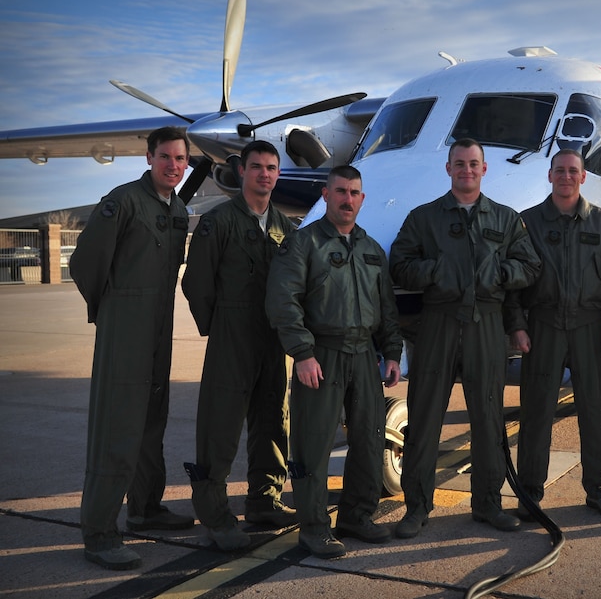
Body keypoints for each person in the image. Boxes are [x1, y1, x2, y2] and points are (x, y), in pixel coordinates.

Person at [389, 138, 542, 538]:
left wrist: (501, 275)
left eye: (474, 164)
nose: (467, 170)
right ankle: (416, 507)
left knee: (489, 419)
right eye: (459, 164)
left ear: (484, 169)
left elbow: (530, 265)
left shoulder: (506, 219)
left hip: (486, 325)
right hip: (437, 324)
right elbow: (400, 265)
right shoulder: (424, 218)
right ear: (449, 169)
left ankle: (488, 504)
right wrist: (436, 271)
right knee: (424, 419)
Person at [69, 126, 194, 570]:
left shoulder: (178, 208)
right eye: (166, 157)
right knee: (116, 429)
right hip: (126, 330)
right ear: (148, 158)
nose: (174, 166)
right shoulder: (122, 201)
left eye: (181, 159)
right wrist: (113, 311)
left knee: (150, 422)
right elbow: (84, 262)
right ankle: (100, 533)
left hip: (160, 329)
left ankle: (146, 508)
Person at [265, 165, 403, 559]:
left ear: (362, 198)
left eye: (354, 192)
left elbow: (387, 309)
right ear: (326, 195)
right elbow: (282, 301)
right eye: (340, 191)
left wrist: (391, 352)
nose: (347, 199)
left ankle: (357, 516)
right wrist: (303, 354)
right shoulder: (303, 244)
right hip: (321, 354)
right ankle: (313, 528)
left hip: (364, 355)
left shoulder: (371, 249)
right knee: (314, 444)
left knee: (369, 437)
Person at [505, 149, 601, 520]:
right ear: (549, 176)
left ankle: (599, 489)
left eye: (572, 171)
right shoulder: (527, 223)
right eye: (559, 170)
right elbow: (513, 281)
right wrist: (517, 324)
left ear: (583, 177)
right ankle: (530, 492)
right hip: (543, 325)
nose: (566, 176)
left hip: (590, 327)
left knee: (596, 412)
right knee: (535, 413)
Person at [181, 140, 296, 552]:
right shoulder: (219, 221)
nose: (264, 174)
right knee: (221, 424)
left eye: (271, 167)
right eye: (256, 167)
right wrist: (218, 325)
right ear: (242, 172)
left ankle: (265, 501)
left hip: (272, 337)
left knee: (272, 419)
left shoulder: (286, 226)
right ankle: (214, 515)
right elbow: (196, 282)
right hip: (232, 333)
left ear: (277, 174)